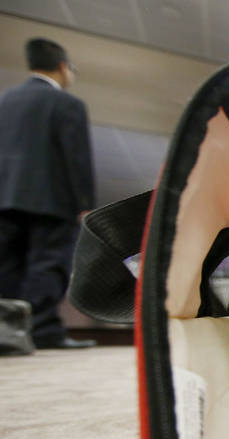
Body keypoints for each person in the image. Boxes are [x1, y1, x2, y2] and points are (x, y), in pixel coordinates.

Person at [0, 38, 96, 350]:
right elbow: (75, 157)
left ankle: (8, 332)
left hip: (5, 198)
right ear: (63, 67)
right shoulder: (67, 104)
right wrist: (84, 203)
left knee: (8, 264)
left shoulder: (6, 100)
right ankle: (41, 331)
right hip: (51, 201)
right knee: (48, 263)